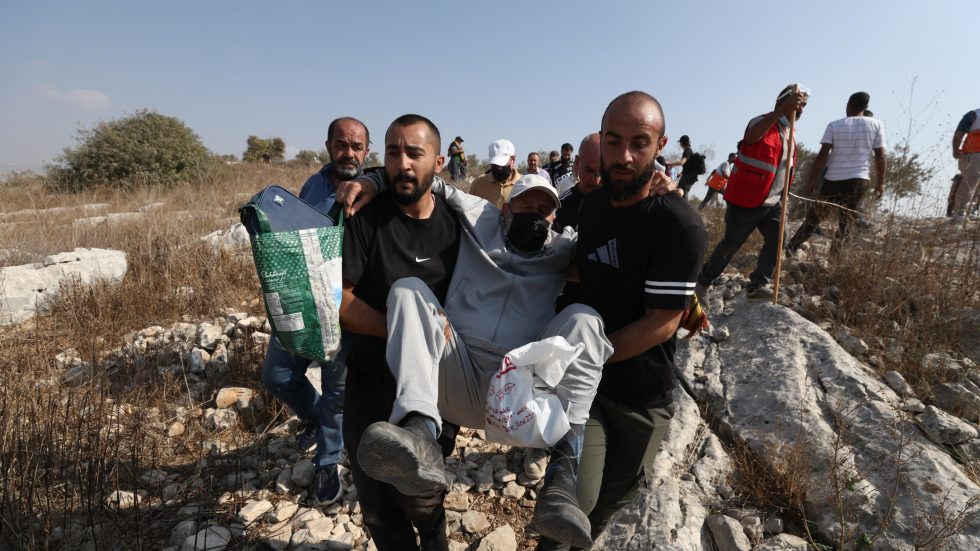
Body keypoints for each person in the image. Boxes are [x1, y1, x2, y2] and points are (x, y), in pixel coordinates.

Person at [350, 174, 613, 548]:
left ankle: (562, 475)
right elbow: (428, 178)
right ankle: (420, 431)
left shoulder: (562, 247)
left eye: (545, 210)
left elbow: (615, 235)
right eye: (526, 206)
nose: (535, 215)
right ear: (506, 209)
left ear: (554, 217)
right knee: (408, 290)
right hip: (455, 376)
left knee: (585, 318)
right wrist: (375, 178)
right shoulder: (481, 216)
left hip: (516, 393)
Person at [540, 91, 708, 550]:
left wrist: (592, 354)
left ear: (661, 146)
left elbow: (661, 321)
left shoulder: (679, 224)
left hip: (643, 396)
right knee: (573, 500)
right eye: (613, 141)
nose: (624, 156)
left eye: (640, 142)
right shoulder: (589, 208)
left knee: (610, 502)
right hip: (590, 388)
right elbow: (575, 269)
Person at [339, 114, 460, 550]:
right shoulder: (363, 216)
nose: (403, 163)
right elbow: (342, 303)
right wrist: (409, 329)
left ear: (440, 161)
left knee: (424, 501)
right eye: (393, 152)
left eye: (415, 153)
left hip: (433, 389)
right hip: (370, 380)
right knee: (377, 507)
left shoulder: (459, 224)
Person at [260, 116, 368, 505]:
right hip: (304, 300)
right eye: (342, 145)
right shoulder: (314, 184)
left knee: (337, 389)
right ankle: (315, 416)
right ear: (328, 147)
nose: (349, 153)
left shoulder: (372, 188)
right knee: (277, 374)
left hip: (345, 310)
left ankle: (327, 459)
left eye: (357, 146)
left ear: (366, 152)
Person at [694, 84, 808, 301]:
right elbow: (752, 137)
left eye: (803, 106)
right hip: (746, 199)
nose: (800, 109)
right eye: (797, 104)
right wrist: (781, 112)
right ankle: (703, 283)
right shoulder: (761, 122)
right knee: (731, 244)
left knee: (778, 238)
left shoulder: (791, 132)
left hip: (772, 201)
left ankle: (757, 285)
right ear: (781, 102)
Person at [787, 92, 886, 253]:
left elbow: (823, 154)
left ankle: (791, 248)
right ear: (866, 107)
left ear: (848, 104)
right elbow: (880, 156)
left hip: (832, 179)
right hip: (858, 179)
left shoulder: (835, 125)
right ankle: (835, 256)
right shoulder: (876, 124)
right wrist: (880, 183)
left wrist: (812, 180)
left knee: (815, 217)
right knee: (846, 220)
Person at [554, 133, 602, 232]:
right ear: (577, 162)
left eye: (603, 172)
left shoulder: (622, 200)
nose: (596, 181)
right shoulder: (562, 206)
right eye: (589, 171)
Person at [469, 139, 521, 209]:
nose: (498, 168)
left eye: (502, 164)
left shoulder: (523, 184)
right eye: (495, 164)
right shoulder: (478, 184)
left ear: (513, 160)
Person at [951, 107, 980, 223]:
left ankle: (972, 209)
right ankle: (960, 210)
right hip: (972, 153)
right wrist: (955, 148)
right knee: (971, 180)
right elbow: (960, 132)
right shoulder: (974, 115)